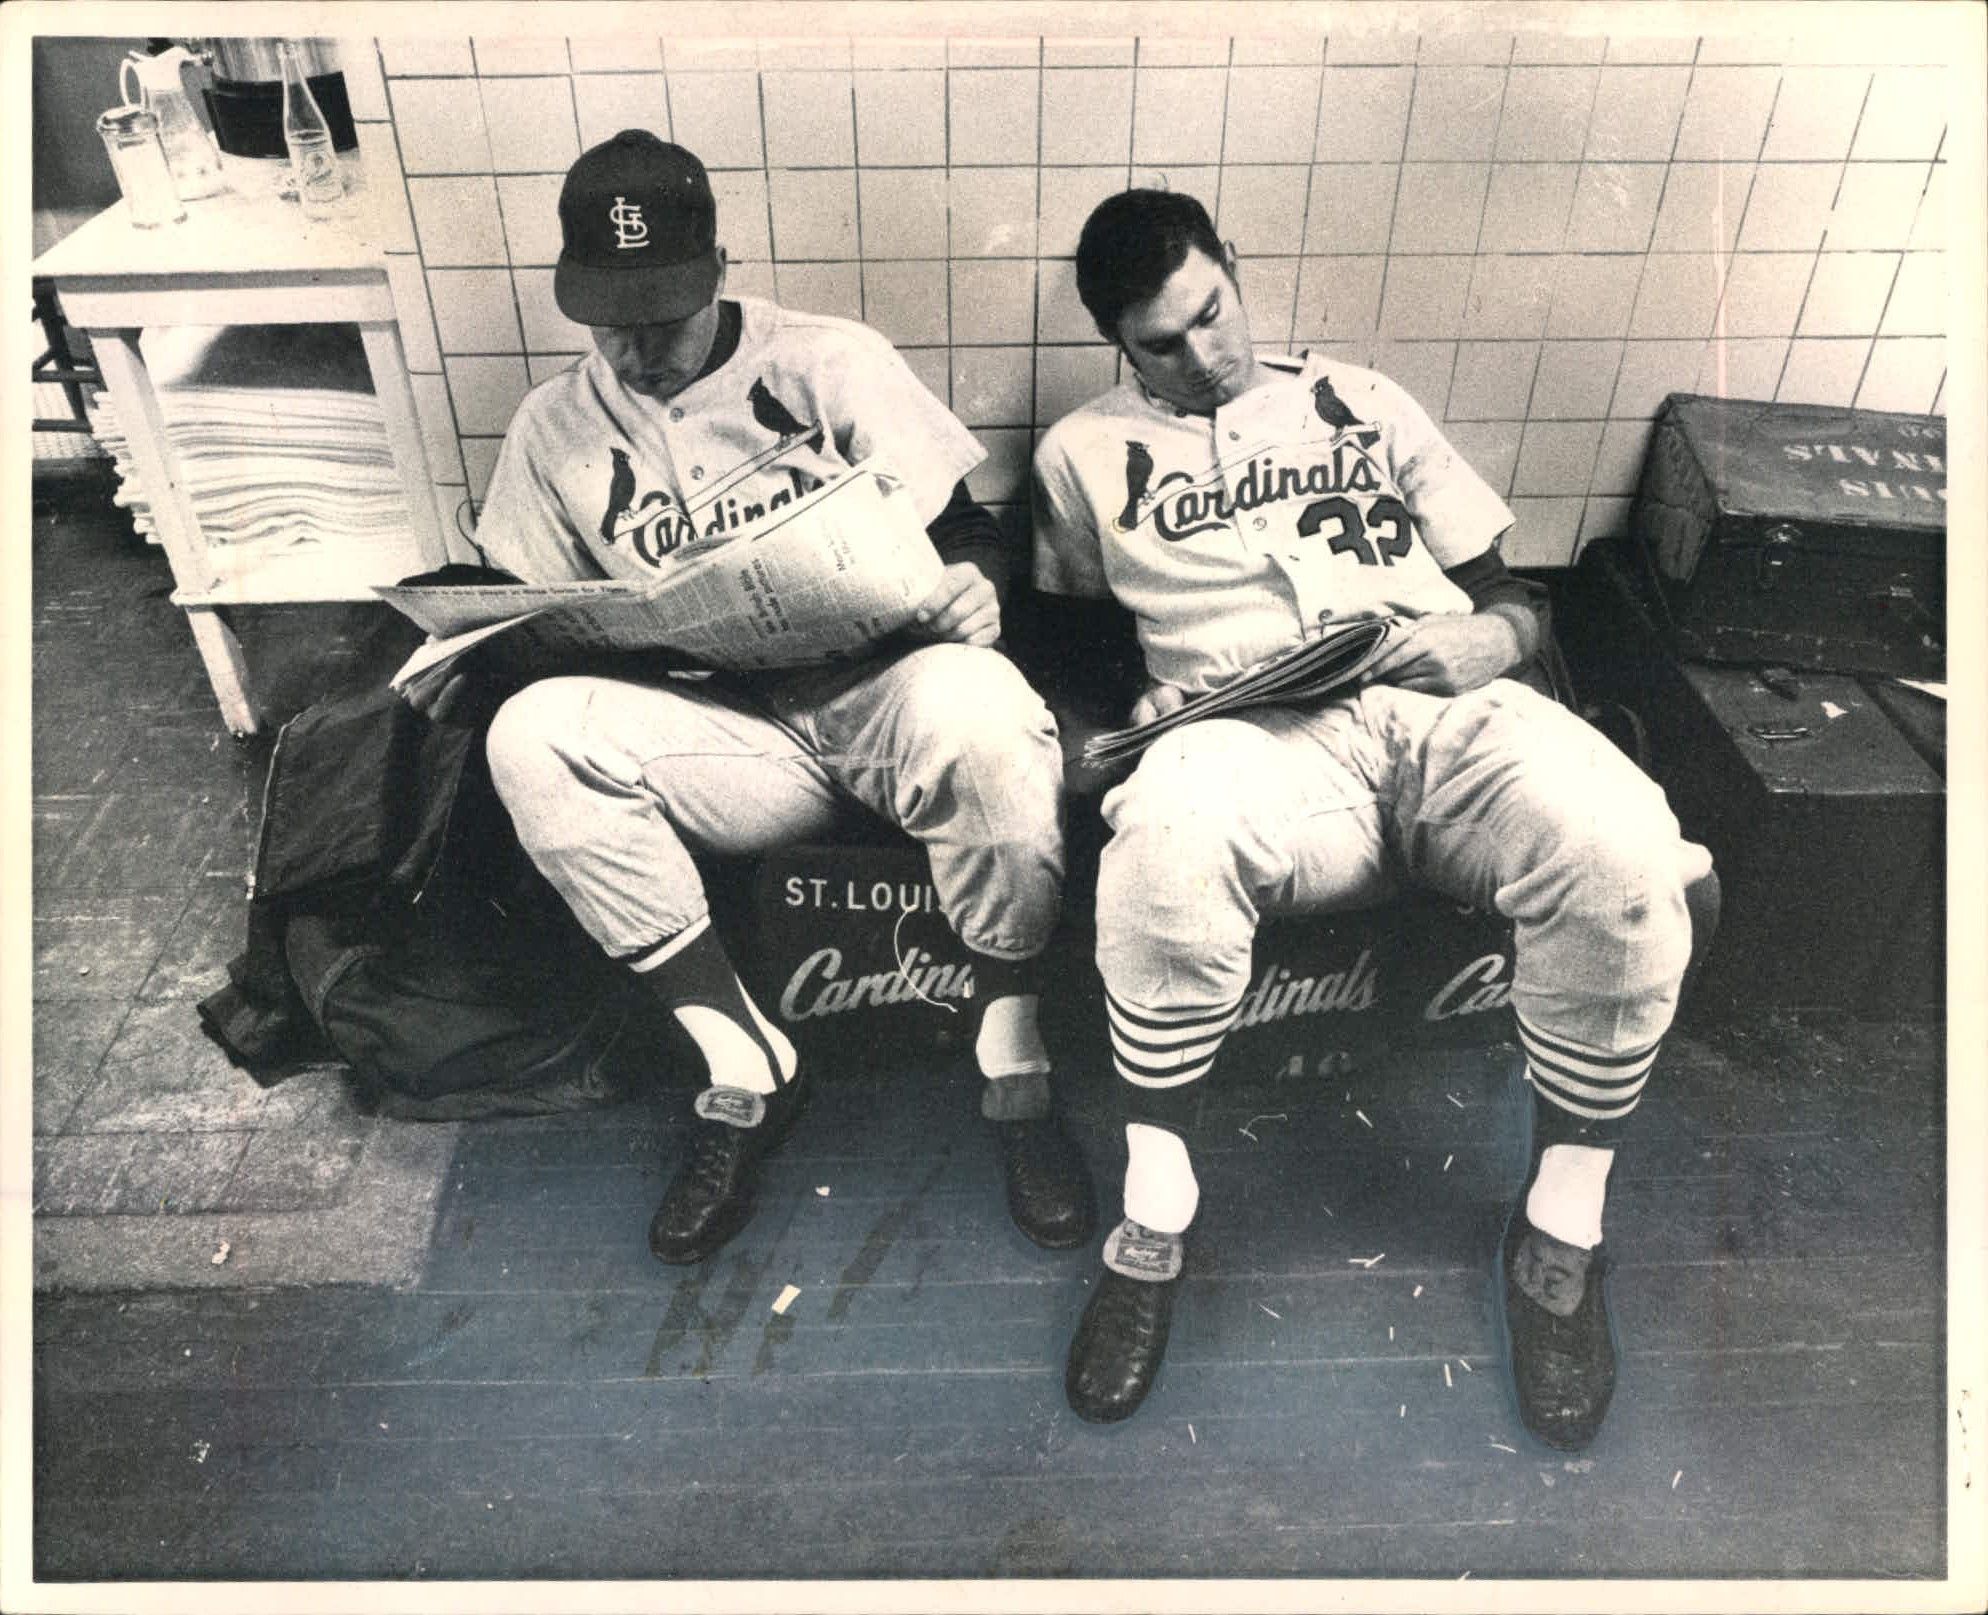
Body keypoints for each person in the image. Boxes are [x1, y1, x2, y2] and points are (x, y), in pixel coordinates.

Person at [1030, 189, 1716, 1448]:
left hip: (1442, 710)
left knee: (1625, 852)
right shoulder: (1079, 452)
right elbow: (1073, 651)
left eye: (1210, 314)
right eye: (1160, 344)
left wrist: (1488, 634)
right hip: (1254, 742)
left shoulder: (1359, 396)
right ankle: (1155, 1214)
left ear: (1234, 271)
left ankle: (1560, 1230)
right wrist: (1123, 715)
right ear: (1116, 349)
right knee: (1163, 840)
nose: (1201, 355)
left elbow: (1517, 595)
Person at [464, 130, 1095, 1265]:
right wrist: (493, 647)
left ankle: (1014, 1059)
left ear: (720, 266)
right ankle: (743, 1061)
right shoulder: (550, 428)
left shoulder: (828, 360)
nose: (640, 346)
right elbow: (523, 616)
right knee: (528, 736)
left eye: (664, 314)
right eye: (613, 319)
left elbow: (962, 528)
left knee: (990, 719)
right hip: (722, 728)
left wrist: (974, 590)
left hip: (884, 685)